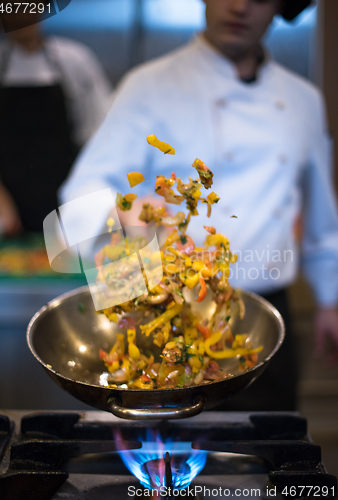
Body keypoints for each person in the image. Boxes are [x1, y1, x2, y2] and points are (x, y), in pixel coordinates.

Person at [60, 0, 338, 410]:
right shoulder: (147, 85)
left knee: (265, 460)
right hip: (164, 322)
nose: (240, 6)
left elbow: (322, 219)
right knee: (163, 467)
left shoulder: (304, 101)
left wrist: (330, 299)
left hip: (260, 325)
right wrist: (121, 209)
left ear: (282, 6)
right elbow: (78, 194)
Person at [0, 3, 112, 233]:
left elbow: (100, 133)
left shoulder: (75, 60)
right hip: (7, 206)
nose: (19, 16)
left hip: (68, 195)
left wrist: (87, 194)